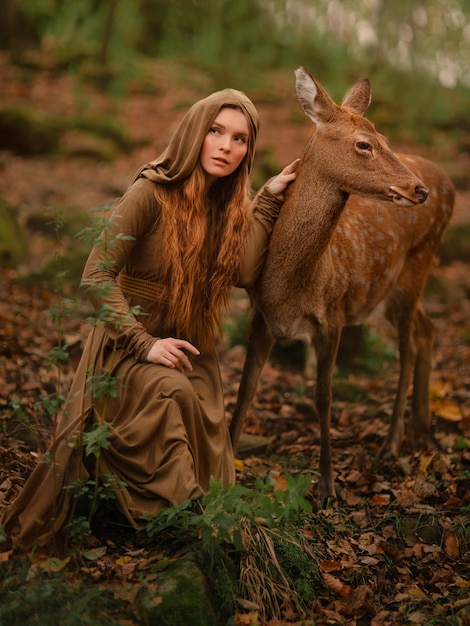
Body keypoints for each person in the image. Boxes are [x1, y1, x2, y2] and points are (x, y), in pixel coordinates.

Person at [0, 87, 298, 550]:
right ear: (195, 134)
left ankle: (194, 518)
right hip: (125, 348)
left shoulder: (228, 206)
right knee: (170, 392)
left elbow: (242, 273)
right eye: (216, 131)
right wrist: (145, 344)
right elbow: (95, 275)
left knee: (201, 410)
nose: (226, 146)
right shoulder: (150, 192)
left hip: (190, 349)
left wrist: (266, 202)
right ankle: (179, 525)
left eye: (240, 139)